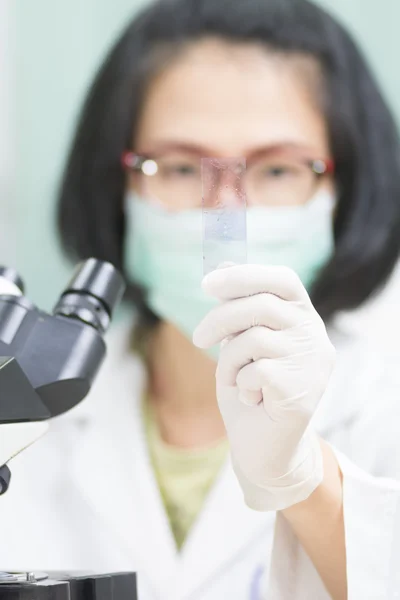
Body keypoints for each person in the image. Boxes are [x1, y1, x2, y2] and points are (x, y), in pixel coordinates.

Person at [3, 0, 400, 597]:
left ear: (346, 186)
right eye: (184, 168)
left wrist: (302, 478)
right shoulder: (33, 397)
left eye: (276, 170)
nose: (226, 211)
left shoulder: (382, 395)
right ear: (117, 182)